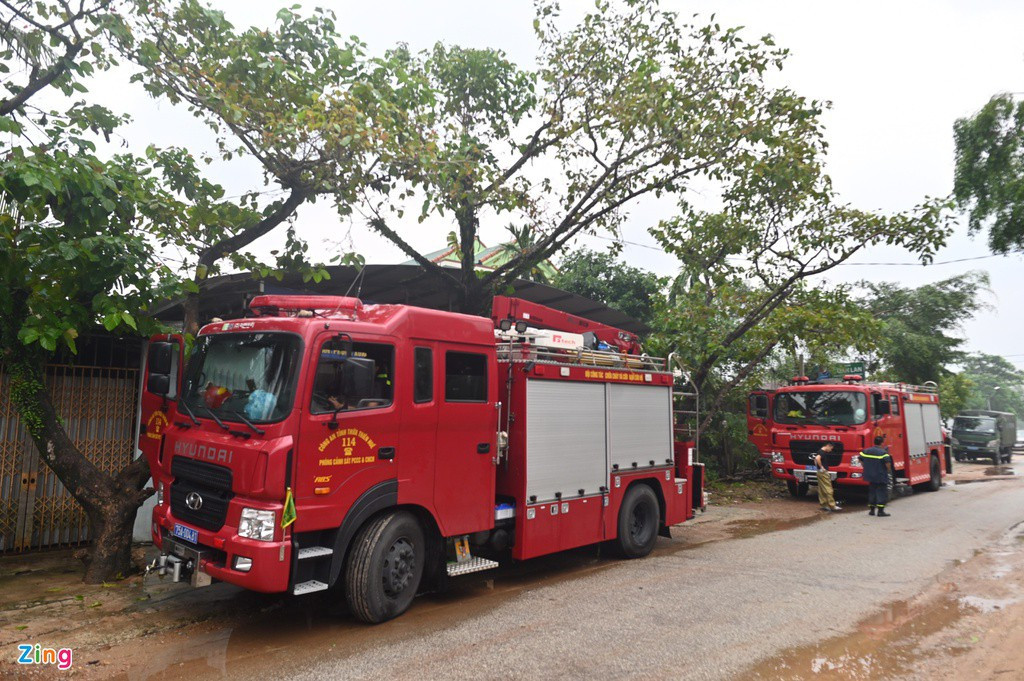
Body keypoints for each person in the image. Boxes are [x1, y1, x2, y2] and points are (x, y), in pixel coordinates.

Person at [860, 436, 893, 517]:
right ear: (882, 443)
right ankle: (880, 512)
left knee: (872, 492)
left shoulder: (866, 451)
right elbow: (888, 463)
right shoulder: (883, 453)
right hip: (880, 476)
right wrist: (888, 471)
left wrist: (865, 466)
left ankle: (872, 510)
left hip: (870, 476)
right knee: (881, 493)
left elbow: (860, 459)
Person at [814, 443, 841, 512]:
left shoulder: (819, 451)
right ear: (828, 446)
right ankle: (832, 505)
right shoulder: (822, 453)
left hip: (819, 472)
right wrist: (822, 467)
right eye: (831, 448)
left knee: (821, 488)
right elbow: (817, 458)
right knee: (828, 488)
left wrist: (818, 467)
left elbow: (815, 459)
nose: (831, 450)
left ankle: (824, 504)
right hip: (823, 472)